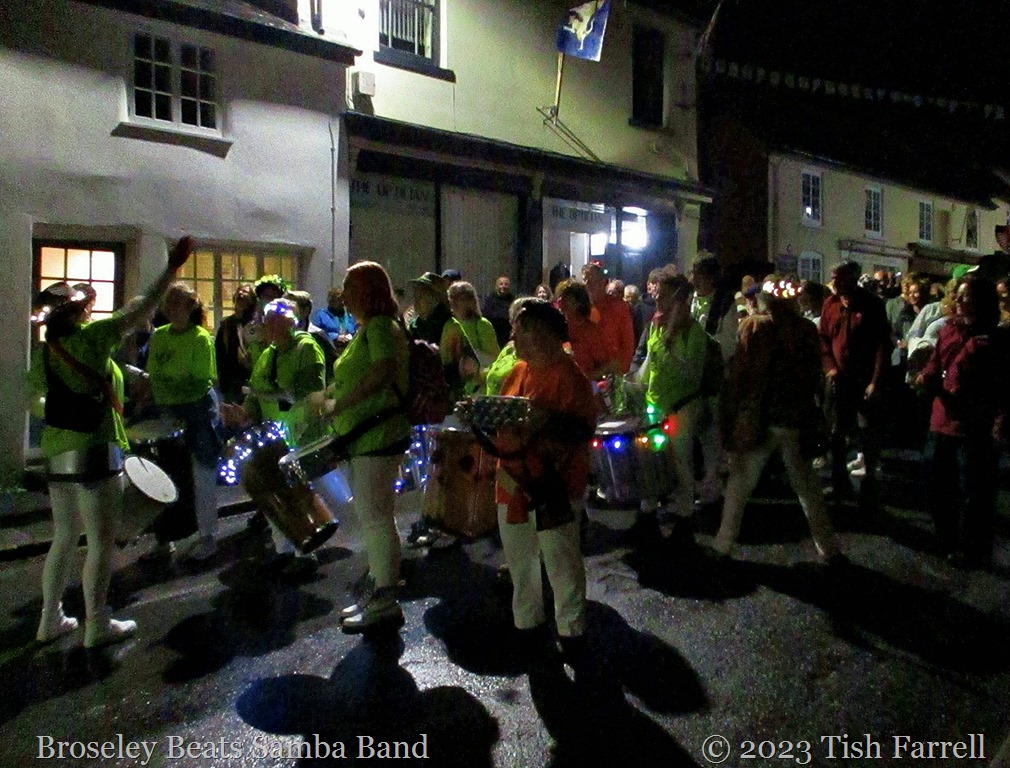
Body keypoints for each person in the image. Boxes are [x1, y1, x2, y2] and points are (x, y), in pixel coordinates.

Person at [29, 236, 192, 647]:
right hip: (97, 450)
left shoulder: (47, 352)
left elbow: (35, 401)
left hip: (57, 453)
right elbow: (141, 307)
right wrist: (171, 268)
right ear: (78, 312)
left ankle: (50, 620)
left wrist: (66, 411)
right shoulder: (92, 338)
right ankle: (98, 623)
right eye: (84, 304)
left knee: (64, 538)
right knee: (101, 542)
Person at [493, 300, 597, 677]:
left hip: (553, 486)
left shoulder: (569, 377)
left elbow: (581, 431)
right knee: (521, 562)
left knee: (560, 562)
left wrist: (544, 419)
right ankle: (528, 625)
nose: (514, 337)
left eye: (520, 330)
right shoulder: (518, 371)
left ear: (543, 333)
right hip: (513, 482)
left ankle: (572, 632)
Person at [714, 278, 843, 563]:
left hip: (761, 416)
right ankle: (828, 549)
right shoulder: (806, 329)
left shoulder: (754, 326)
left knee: (740, 482)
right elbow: (813, 374)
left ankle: (722, 545)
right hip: (795, 417)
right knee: (807, 486)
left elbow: (739, 376)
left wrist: (731, 415)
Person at [328, 261, 411, 633]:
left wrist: (340, 404)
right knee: (375, 517)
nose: (343, 295)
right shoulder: (372, 328)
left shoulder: (378, 328)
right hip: (369, 436)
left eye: (349, 287)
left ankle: (384, 599)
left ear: (366, 290)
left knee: (376, 519)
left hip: (377, 435)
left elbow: (381, 372)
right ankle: (379, 589)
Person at [220, 298, 327, 579]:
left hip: (300, 434)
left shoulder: (306, 348)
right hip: (275, 436)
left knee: (297, 495)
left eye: (273, 321)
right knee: (274, 493)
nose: (266, 326)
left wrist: (265, 396)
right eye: (267, 321)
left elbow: (308, 394)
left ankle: (306, 552)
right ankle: (285, 549)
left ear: (290, 323)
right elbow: (255, 394)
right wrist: (244, 412)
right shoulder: (268, 354)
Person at [915, 275, 1007, 569]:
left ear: (982, 302)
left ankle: (972, 549)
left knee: (975, 493)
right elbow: (936, 364)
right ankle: (947, 538)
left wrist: (1000, 420)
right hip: (941, 420)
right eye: (957, 296)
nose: (957, 301)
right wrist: (925, 376)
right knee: (934, 484)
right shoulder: (948, 330)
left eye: (965, 297)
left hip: (974, 426)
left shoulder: (998, 339)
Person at [146, 282, 223, 563]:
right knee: (166, 475)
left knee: (202, 475)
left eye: (177, 304)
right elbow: (155, 372)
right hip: (168, 409)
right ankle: (164, 538)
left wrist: (168, 381)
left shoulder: (201, 338)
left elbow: (201, 379)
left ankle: (208, 536)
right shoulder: (160, 335)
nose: (172, 310)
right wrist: (169, 383)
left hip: (198, 410)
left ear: (191, 307)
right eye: (169, 304)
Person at [633, 273, 710, 539]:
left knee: (680, 463)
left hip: (680, 408)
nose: (657, 299)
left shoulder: (693, 333)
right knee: (650, 461)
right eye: (658, 294)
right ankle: (648, 513)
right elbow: (649, 366)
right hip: (654, 406)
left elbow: (692, 374)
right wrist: (631, 385)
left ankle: (685, 517)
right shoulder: (656, 325)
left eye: (664, 295)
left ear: (679, 300)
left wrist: (671, 345)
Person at [819, 261, 891, 512]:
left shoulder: (872, 305)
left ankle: (870, 485)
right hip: (839, 380)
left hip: (864, 380)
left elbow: (882, 345)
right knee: (836, 434)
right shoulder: (830, 304)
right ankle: (839, 482)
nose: (835, 283)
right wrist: (830, 368)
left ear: (853, 278)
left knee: (867, 433)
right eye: (833, 278)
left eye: (839, 278)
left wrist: (875, 381)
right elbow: (823, 340)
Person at [441, 281, 501, 401]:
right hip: (454, 390)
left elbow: (495, 361)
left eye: (458, 298)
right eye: (451, 297)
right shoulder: (449, 324)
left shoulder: (482, 324)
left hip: (477, 392)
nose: (453, 302)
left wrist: (477, 372)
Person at [556, 282, 619, 380]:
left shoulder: (591, 331)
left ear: (578, 303)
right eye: (560, 296)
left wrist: (587, 378)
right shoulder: (556, 327)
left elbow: (609, 365)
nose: (560, 300)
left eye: (566, 297)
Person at [583, 262, 635, 374]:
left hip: (612, 372)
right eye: (585, 280)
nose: (588, 284)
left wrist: (620, 369)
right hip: (588, 371)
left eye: (592, 280)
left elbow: (628, 345)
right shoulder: (582, 308)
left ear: (604, 282)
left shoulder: (618, 307)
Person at [215, 283, 256, 404]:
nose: (241, 294)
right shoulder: (227, 324)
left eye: (245, 292)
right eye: (239, 292)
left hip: (252, 379)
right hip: (231, 382)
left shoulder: (257, 325)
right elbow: (219, 353)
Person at [406, 271, 452, 346]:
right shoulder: (415, 325)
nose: (416, 301)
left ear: (435, 299)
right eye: (415, 296)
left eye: (421, 296)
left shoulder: (449, 324)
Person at [482, 275, 515, 349]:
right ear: (497, 286)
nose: (503, 286)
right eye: (501, 284)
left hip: (508, 335)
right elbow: (487, 315)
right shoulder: (490, 299)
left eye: (506, 284)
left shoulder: (513, 300)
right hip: (494, 334)